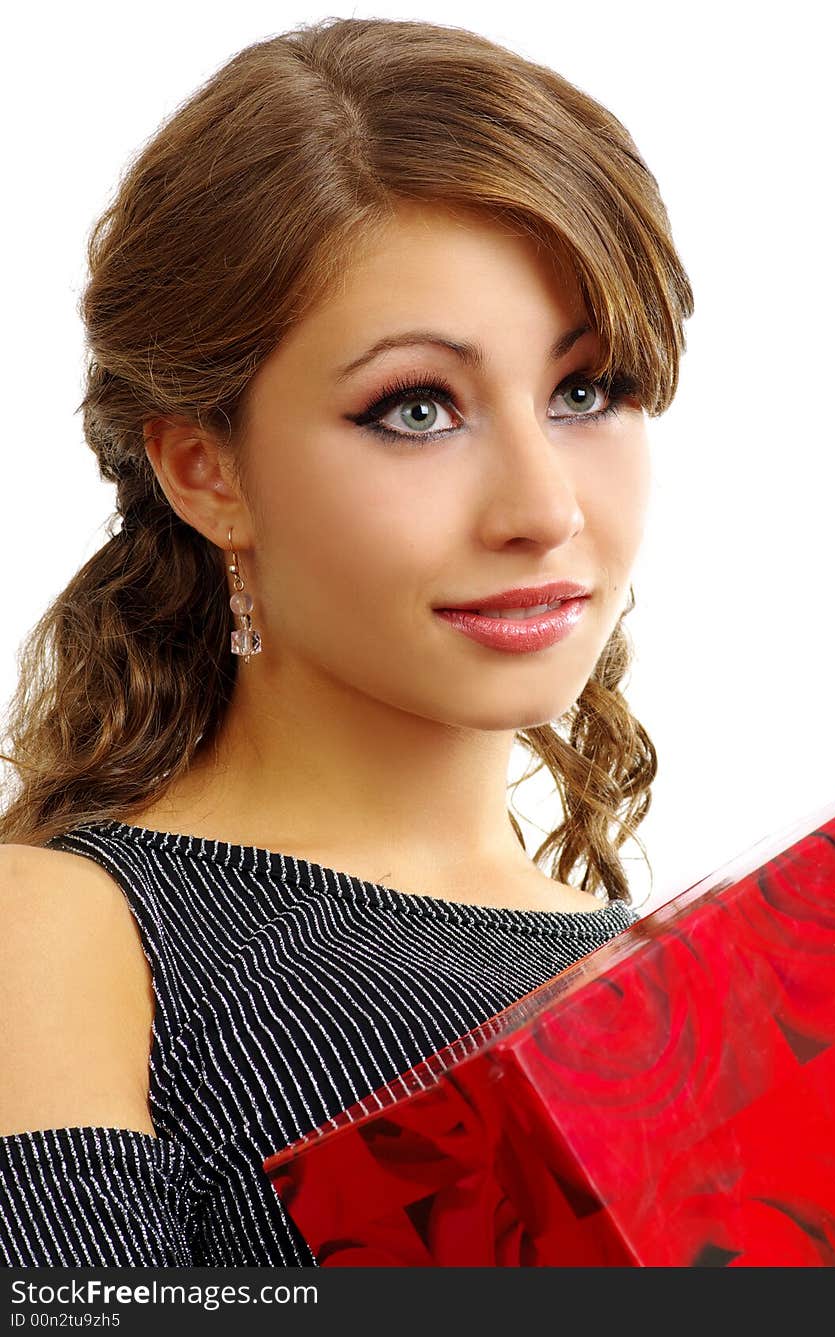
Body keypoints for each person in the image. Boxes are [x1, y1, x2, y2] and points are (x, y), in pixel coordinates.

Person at [0, 16, 693, 1266]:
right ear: (206, 470)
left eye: (584, 392)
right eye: (416, 407)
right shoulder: (64, 931)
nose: (544, 509)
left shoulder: (679, 979)